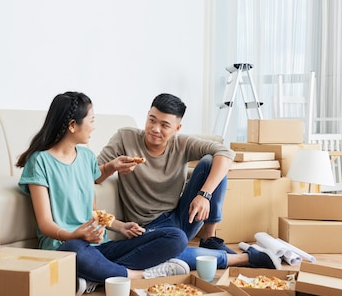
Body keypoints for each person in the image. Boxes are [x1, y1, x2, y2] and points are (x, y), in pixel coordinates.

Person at [17, 91, 191, 296]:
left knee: (176, 237)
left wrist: (120, 226)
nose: (93, 126)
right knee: (77, 250)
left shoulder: (86, 157)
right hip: (65, 247)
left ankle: (95, 276)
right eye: (91, 120)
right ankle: (136, 276)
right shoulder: (39, 162)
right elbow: (45, 224)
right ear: (73, 125)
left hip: (99, 247)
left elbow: (93, 212)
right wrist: (75, 235)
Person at [95, 93, 280, 270]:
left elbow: (225, 153)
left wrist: (204, 195)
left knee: (210, 161)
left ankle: (209, 239)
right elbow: (92, 176)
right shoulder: (125, 137)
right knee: (166, 253)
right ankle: (242, 259)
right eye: (152, 120)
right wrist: (112, 167)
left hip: (183, 216)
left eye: (164, 125)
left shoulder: (181, 143)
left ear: (177, 129)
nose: (155, 129)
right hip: (148, 229)